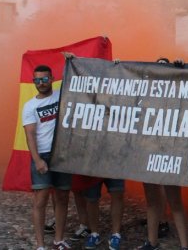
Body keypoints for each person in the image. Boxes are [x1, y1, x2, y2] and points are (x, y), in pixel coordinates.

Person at [139, 57, 188, 250]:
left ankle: (185, 246)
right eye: (157, 67)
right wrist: (117, 65)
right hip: (149, 151)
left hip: (170, 153)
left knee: (175, 202)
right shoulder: (146, 95)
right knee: (152, 202)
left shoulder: (177, 93)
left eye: (164, 67)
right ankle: (151, 242)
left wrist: (180, 70)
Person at [24, 64, 72, 250]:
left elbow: (80, 80)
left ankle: (58, 240)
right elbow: (30, 135)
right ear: (34, 81)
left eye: (44, 79)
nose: (41, 83)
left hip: (62, 154)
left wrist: (72, 61)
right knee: (40, 200)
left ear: (52, 79)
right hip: (42, 154)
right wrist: (37, 160)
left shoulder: (62, 94)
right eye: (37, 80)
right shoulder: (30, 106)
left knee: (62, 198)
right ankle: (40, 245)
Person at [83, 178, 125, 250]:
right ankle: (94, 234)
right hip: (93, 169)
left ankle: (116, 235)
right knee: (91, 198)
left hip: (115, 168)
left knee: (118, 193)